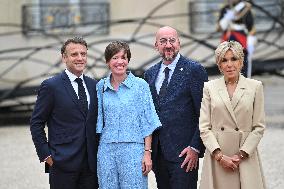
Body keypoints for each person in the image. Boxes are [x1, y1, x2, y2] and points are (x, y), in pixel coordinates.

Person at [30, 37, 99, 189]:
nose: (80, 58)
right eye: (74, 54)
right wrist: (46, 155)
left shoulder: (94, 85)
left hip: (90, 166)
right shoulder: (51, 86)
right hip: (61, 164)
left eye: (83, 54)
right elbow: (36, 123)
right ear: (64, 57)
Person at [144, 26, 208, 189]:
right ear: (156, 45)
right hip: (159, 154)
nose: (168, 45)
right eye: (163, 41)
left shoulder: (194, 70)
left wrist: (195, 147)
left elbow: (205, 112)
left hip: (185, 154)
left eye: (172, 40)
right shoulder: (149, 74)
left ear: (179, 43)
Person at [199, 40, 266, 189]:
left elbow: (259, 127)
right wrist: (219, 156)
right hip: (218, 157)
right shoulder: (209, 87)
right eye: (224, 60)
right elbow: (204, 127)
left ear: (241, 62)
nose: (229, 64)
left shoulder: (255, 87)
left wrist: (242, 154)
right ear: (219, 65)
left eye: (233, 59)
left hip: (245, 156)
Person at [96, 41, 161, 188]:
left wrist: (147, 153)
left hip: (134, 150)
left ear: (128, 60)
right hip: (106, 150)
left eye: (123, 57)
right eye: (114, 58)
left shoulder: (140, 86)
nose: (120, 61)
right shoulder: (101, 87)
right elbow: (98, 122)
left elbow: (148, 120)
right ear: (107, 61)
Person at [217, 0, 257, 77]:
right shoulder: (225, 8)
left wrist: (251, 42)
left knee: (243, 61)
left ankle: (244, 81)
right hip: (227, 38)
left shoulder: (245, 8)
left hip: (241, 38)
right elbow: (220, 27)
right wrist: (227, 18)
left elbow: (251, 27)